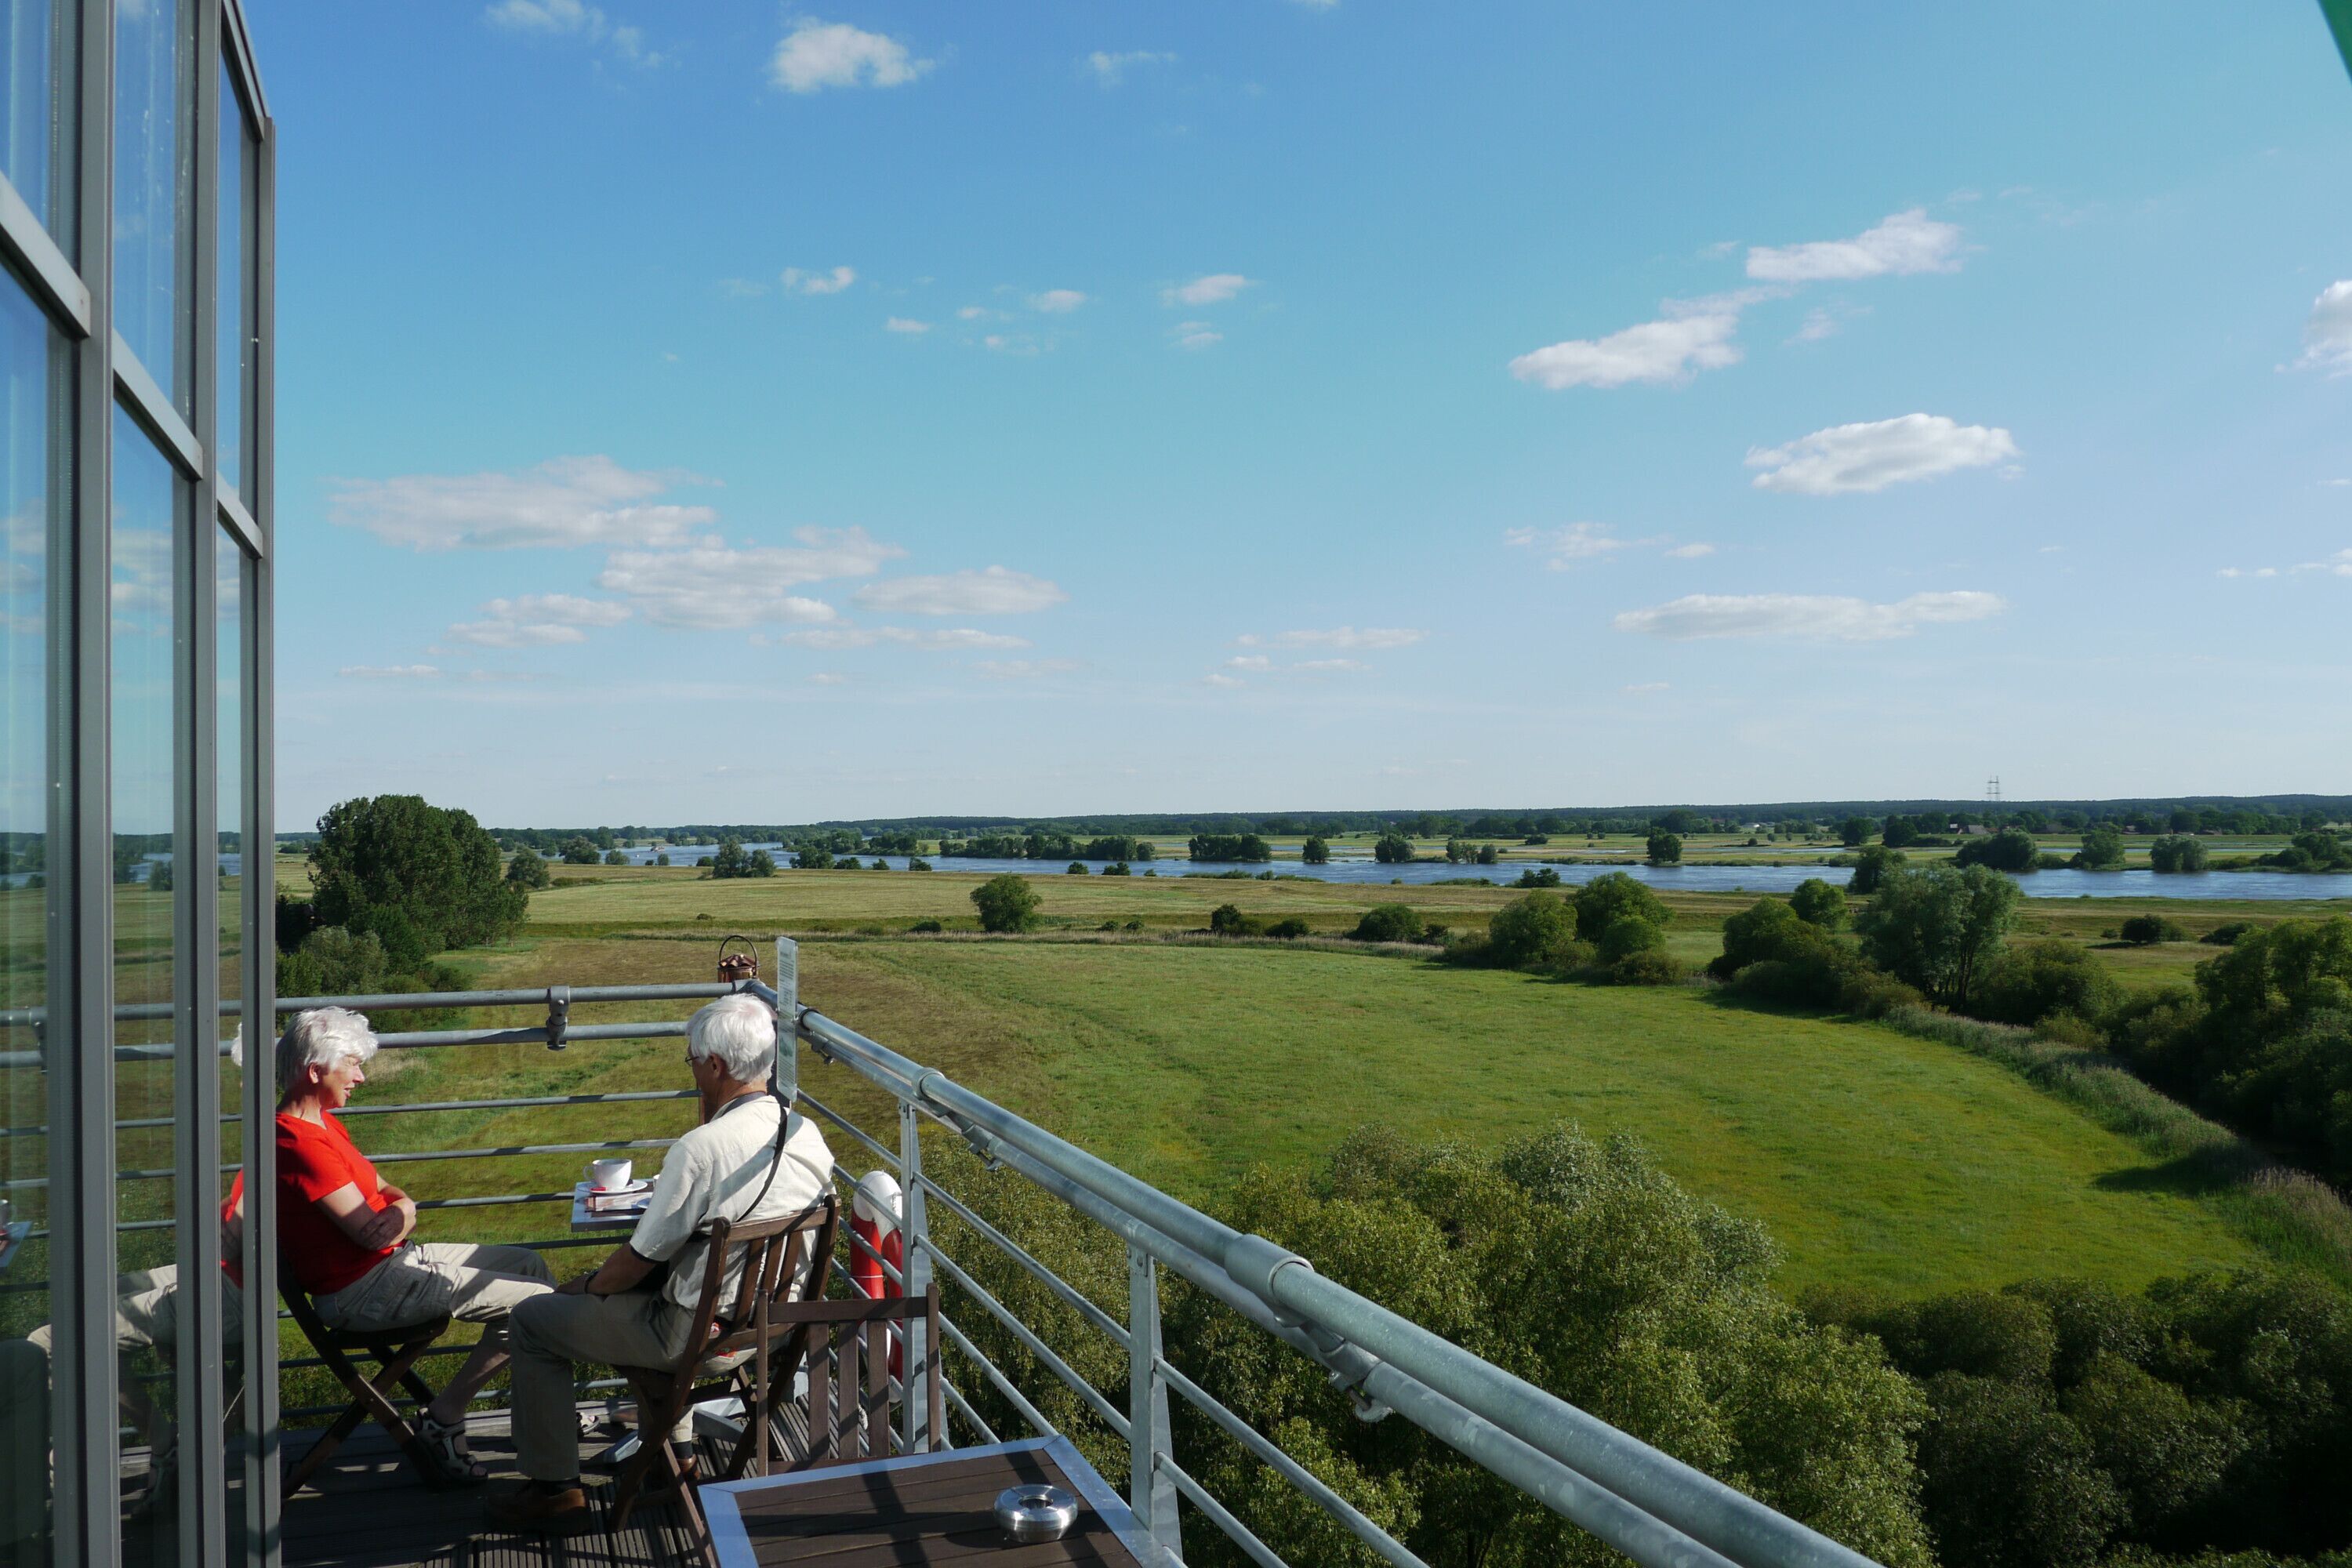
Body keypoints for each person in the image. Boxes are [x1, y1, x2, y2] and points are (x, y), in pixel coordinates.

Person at [488, 993, 833, 1534]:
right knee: (675, 1298)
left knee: (532, 1322)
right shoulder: (807, 1134)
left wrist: (585, 1287)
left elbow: (636, 1260)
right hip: (773, 1330)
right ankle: (679, 1459)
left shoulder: (702, 1148)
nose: (693, 1071)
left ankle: (555, 1489)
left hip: (698, 1339)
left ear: (716, 1065)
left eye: (693, 1061)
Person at [274, 1007, 555, 1483]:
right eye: (353, 1064)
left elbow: (393, 1197)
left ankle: (539, 1419)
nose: (361, 1077)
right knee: (542, 1308)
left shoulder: (323, 1123)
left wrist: (402, 1212)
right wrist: (402, 1212)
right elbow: (369, 1230)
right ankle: (444, 1418)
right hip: (361, 1292)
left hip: (390, 1263)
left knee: (529, 1265)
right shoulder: (298, 1143)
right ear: (315, 1070)